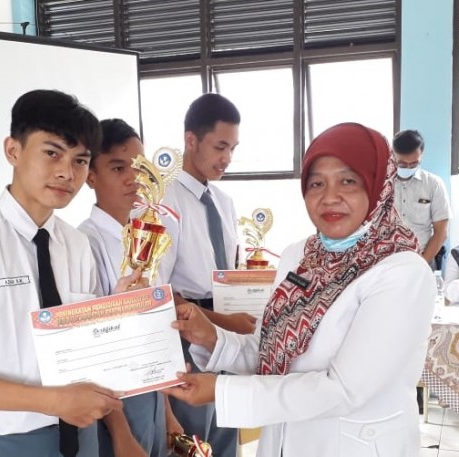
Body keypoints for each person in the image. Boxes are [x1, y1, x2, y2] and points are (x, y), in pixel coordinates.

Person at [165, 123, 436, 457]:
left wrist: (221, 390)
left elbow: (343, 390)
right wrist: (212, 339)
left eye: (348, 181)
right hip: (282, 442)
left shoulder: (402, 272)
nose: (329, 197)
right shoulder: (300, 256)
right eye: (316, 183)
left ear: (379, 185)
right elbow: (272, 352)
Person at [0, 90, 142, 457]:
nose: (67, 172)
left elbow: (86, 355)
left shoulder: (75, 244)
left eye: (80, 160)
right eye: (52, 153)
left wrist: (119, 313)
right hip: (8, 444)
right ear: (13, 151)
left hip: (84, 438)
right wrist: (54, 402)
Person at [78, 119, 183, 457]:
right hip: (115, 401)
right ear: (90, 176)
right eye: (118, 167)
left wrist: (167, 414)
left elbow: (155, 330)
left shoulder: (146, 235)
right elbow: (94, 347)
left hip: (152, 389)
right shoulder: (84, 244)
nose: (133, 178)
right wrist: (121, 434)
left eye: (139, 167)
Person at [163, 93, 252, 457]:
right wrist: (221, 322)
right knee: (195, 435)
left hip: (228, 332)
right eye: (220, 147)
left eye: (232, 148)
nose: (227, 158)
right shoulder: (164, 201)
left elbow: (231, 270)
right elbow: (159, 293)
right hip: (187, 330)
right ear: (191, 140)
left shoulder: (224, 203)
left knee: (228, 423)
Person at [392, 130, 450, 270]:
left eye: (413, 164)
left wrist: (422, 263)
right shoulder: (382, 184)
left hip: (423, 258)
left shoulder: (433, 184)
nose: (408, 168)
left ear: (421, 156)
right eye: (402, 164)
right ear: (393, 156)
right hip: (388, 261)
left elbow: (441, 232)